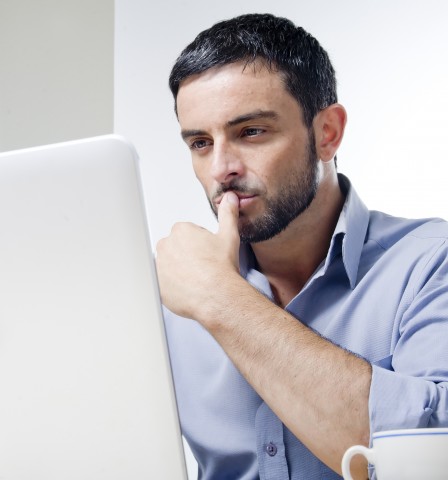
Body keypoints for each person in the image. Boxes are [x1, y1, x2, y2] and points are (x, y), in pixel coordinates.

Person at [155, 13, 448, 480]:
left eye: (251, 132)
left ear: (327, 133)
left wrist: (220, 299)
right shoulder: (162, 295)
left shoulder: (432, 263)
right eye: (200, 143)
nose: (221, 169)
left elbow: (427, 463)